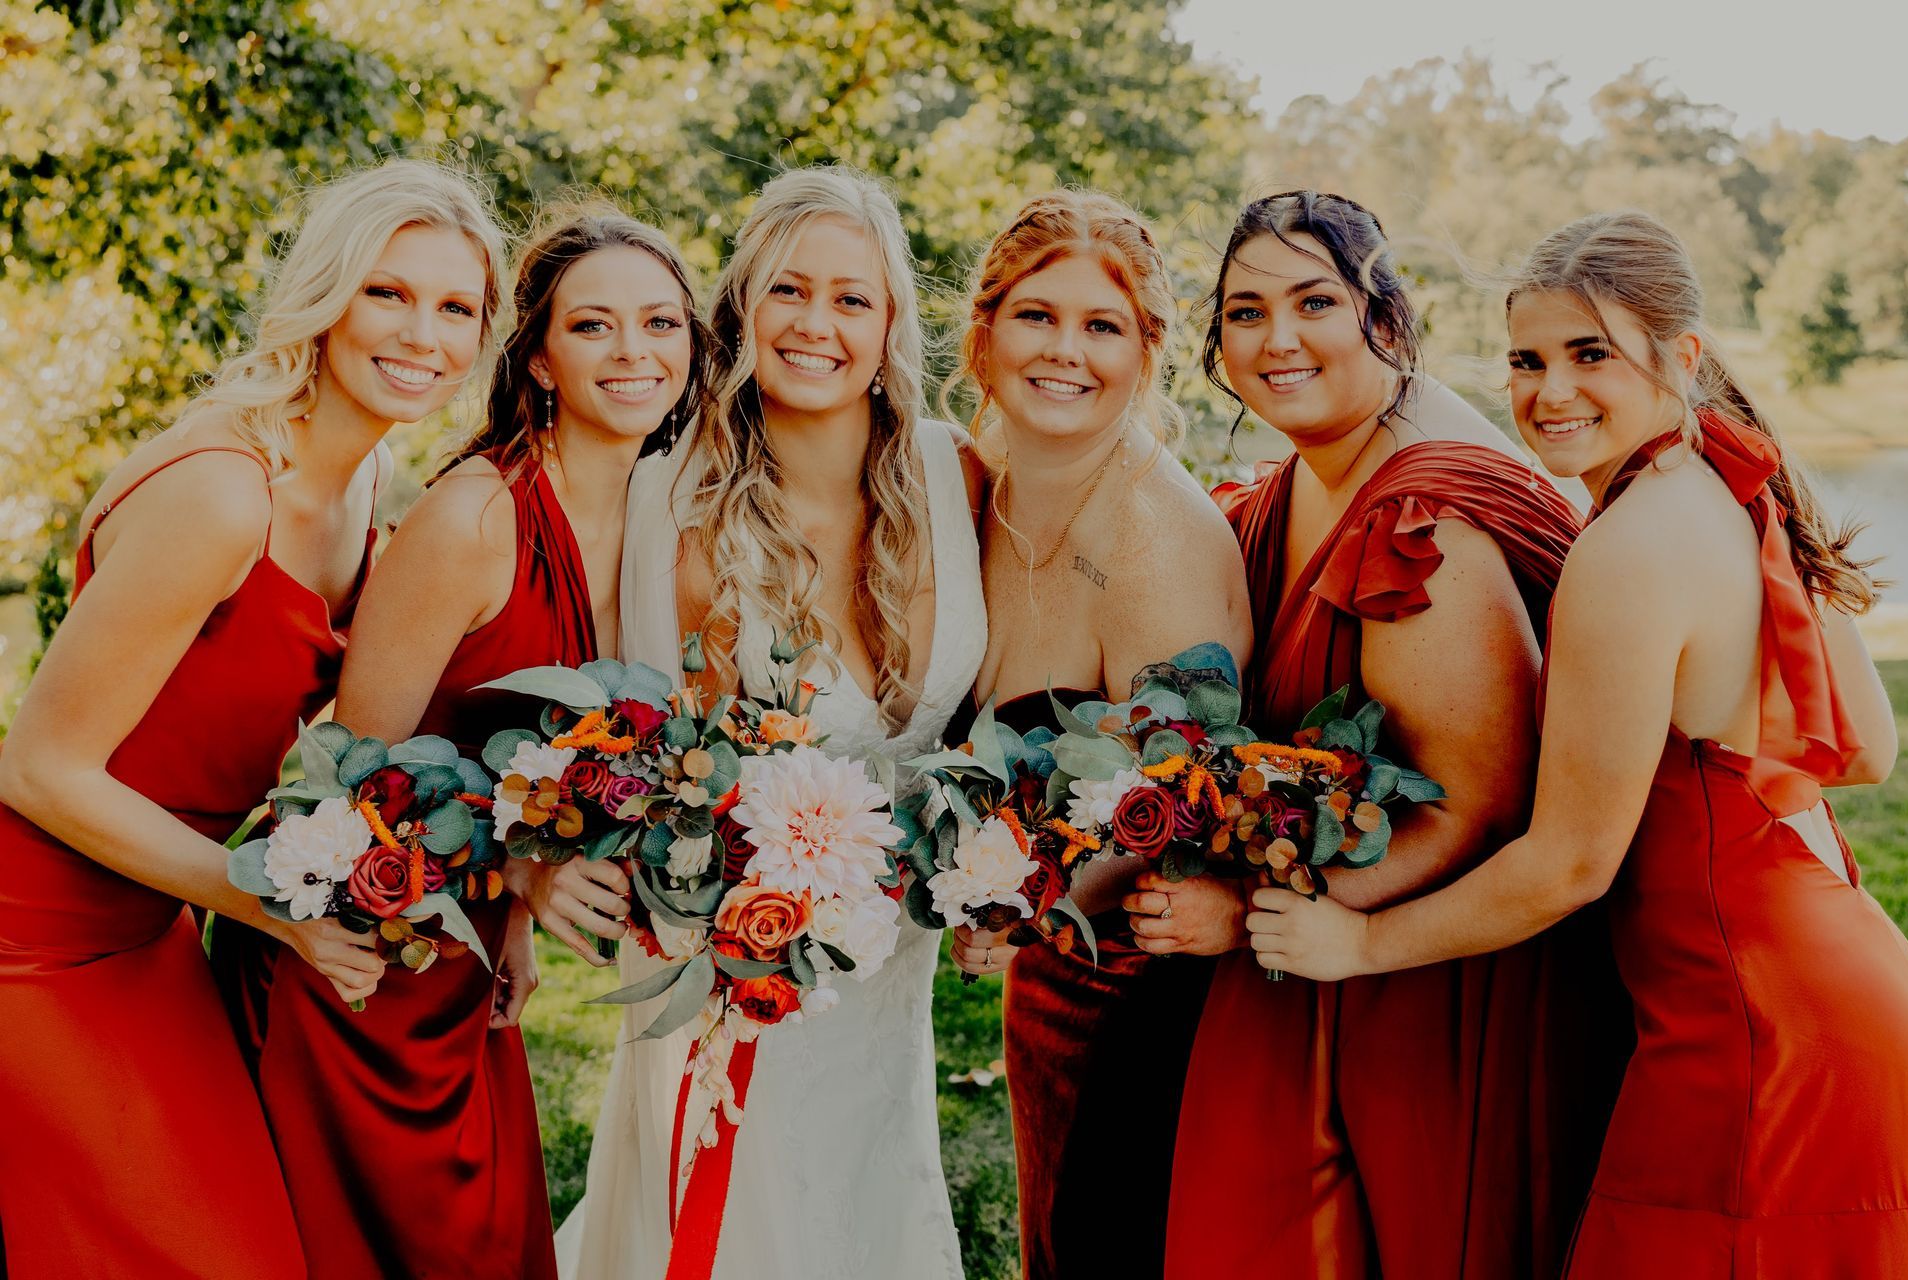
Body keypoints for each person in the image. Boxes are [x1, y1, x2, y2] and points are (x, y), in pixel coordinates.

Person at [1246, 210, 1908, 1276]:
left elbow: (1568, 860)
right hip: (1843, 992)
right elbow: (1867, 748)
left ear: (1681, 356)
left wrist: (1360, 943)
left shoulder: (1629, 547)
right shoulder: (1735, 488)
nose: (1550, 391)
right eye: (1527, 359)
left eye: (1590, 354)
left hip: (1750, 1040)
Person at [0, 159, 505, 1277]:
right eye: (388, 292)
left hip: (152, 926)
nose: (422, 332)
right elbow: (37, 768)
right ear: (327, 297)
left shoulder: (368, 493)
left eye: (456, 306)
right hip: (30, 932)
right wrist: (274, 908)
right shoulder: (224, 491)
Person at [210, 201, 706, 1279]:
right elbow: (355, 777)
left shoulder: (662, 522)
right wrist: (524, 873)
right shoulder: (479, 515)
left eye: (662, 324)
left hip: (464, 962)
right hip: (354, 966)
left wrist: (512, 918)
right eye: (594, 326)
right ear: (535, 358)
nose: (635, 352)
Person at [1151, 192, 1624, 1279]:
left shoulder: (1422, 525)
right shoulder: (1292, 487)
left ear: (1386, 318)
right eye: (1244, 311)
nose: (1278, 339)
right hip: (1320, 956)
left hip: (1421, 987)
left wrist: (1248, 915)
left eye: (1315, 301)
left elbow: (1480, 803)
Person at [556, 165, 981, 1280]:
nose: (818, 324)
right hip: (736, 975)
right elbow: (643, 753)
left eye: (853, 298)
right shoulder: (674, 495)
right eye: (790, 290)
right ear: (741, 308)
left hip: (895, 976)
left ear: (892, 322)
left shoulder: (954, 474)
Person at [941, 188, 1252, 1278]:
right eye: (1037, 316)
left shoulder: (1153, 538)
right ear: (983, 335)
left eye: (1102, 325)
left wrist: (1014, 898)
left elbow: (1184, 795)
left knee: (1108, 1239)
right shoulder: (981, 488)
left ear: (1145, 352)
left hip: (1139, 982)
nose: (1064, 351)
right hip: (1052, 962)